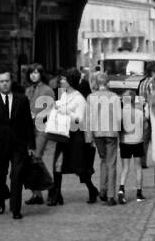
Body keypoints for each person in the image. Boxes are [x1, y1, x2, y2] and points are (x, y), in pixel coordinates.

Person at [0, 70, 35, 220]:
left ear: (11, 82)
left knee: (16, 175)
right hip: (0, 144)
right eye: (1, 81)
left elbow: (28, 123)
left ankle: (16, 208)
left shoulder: (22, 99)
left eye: (7, 81)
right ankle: (2, 195)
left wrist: (31, 145)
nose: (4, 83)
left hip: (18, 144)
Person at [60, 69, 98, 204]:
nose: (61, 81)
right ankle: (56, 194)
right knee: (61, 165)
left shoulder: (79, 98)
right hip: (64, 134)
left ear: (70, 81)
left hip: (77, 136)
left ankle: (92, 189)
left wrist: (66, 112)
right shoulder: (64, 95)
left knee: (80, 167)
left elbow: (80, 119)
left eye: (64, 79)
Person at [86, 72, 122, 205]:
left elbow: (88, 119)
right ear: (107, 83)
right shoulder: (114, 97)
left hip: (97, 133)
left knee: (103, 160)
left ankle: (103, 189)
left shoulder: (91, 97)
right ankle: (111, 195)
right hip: (111, 132)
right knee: (111, 163)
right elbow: (119, 117)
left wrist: (89, 137)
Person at [25, 64, 55, 206]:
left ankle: (51, 185)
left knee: (36, 157)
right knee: (30, 160)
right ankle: (36, 193)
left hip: (42, 128)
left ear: (41, 74)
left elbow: (50, 111)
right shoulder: (28, 90)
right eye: (31, 73)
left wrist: (35, 116)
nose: (33, 75)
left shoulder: (47, 90)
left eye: (36, 72)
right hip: (28, 130)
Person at [118, 87, 146, 204]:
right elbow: (144, 126)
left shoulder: (121, 113)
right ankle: (139, 193)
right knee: (138, 168)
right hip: (137, 141)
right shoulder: (139, 113)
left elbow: (118, 127)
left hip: (125, 141)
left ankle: (121, 188)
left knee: (125, 168)